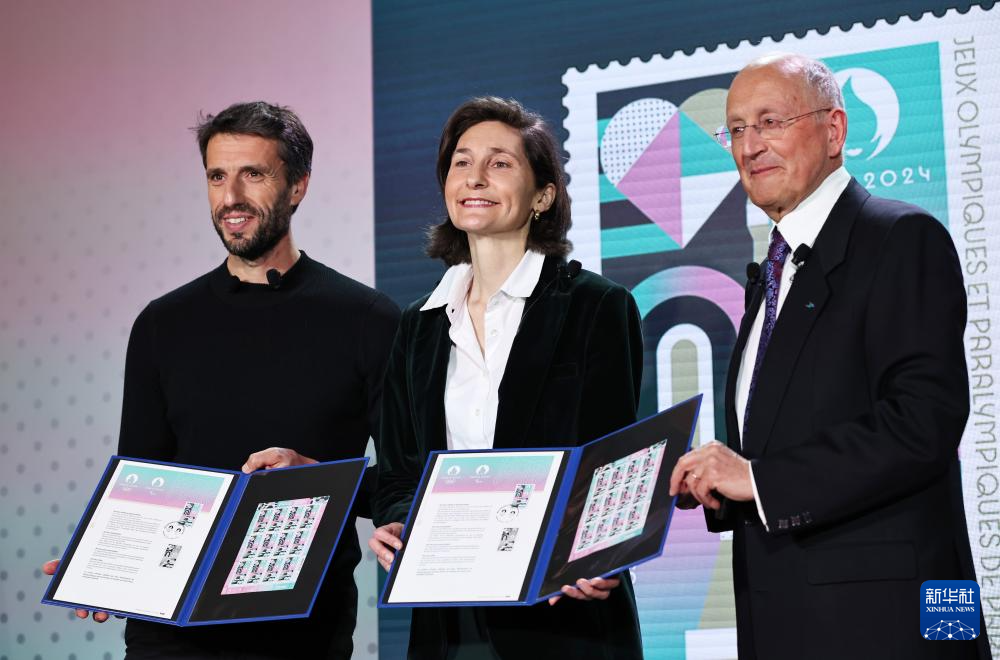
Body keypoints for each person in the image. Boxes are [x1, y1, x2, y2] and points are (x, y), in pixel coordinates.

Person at [43, 101, 400, 659]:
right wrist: (103, 563)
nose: (230, 197)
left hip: (300, 633)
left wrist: (319, 477)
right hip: (170, 632)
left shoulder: (367, 319)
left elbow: (403, 480)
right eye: (216, 176)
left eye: (252, 174)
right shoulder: (163, 323)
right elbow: (143, 481)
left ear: (298, 186)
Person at [668, 54, 989, 659]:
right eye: (736, 130)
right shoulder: (774, 270)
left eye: (770, 122)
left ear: (835, 129)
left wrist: (756, 479)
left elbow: (923, 424)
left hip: (889, 626)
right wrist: (718, 485)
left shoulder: (900, 237)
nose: (750, 146)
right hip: (786, 621)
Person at [368, 97, 644, 659]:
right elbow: (398, 473)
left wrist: (598, 551)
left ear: (543, 195)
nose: (475, 177)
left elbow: (612, 466)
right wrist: (397, 523)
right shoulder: (417, 326)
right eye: (461, 162)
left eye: (499, 163)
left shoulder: (596, 306)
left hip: (562, 612)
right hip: (448, 619)